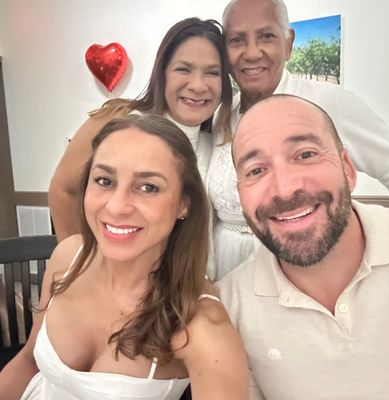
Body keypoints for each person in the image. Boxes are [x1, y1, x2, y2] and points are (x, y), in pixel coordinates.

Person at [0, 114, 249, 400]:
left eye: (148, 187)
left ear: (184, 203)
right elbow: (28, 363)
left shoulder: (203, 328)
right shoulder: (67, 258)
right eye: (104, 180)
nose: (117, 207)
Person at [219, 94, 389, 399]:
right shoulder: (230, 308)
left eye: (305, 155)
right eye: (256, 170)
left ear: (348, 169)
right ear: (240, 196)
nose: (285, 188)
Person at [206, 0, 389, 279]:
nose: (252, 52)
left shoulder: (329, 102)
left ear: (289, 43)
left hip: (308, 273)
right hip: (225, 271)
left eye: (266, 36)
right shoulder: (220, 116)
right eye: (237, 40)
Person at [49, 17, 232, 242]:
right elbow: (64, 191)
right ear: (162, 73)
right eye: (183, 69)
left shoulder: (214, 144)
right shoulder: (118, 121)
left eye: (212, 72)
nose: (197, 85)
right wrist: (79, 257)